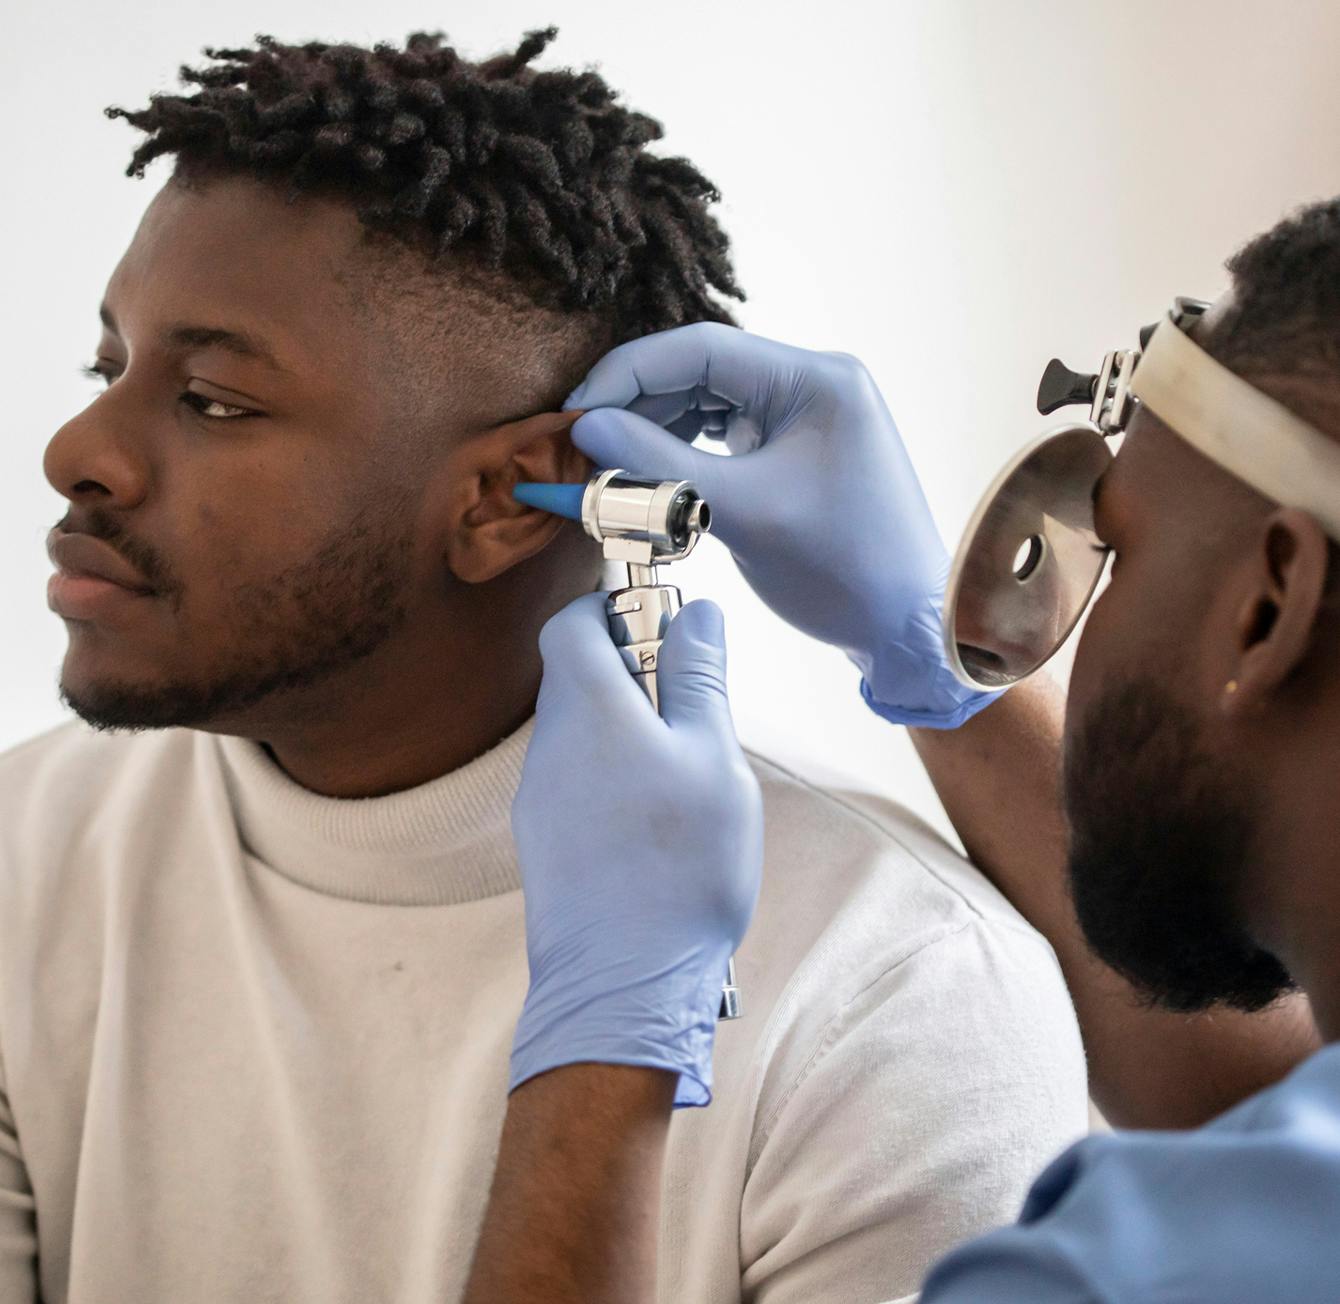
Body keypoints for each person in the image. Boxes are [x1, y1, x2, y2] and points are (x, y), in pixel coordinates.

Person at [0, 29, 1093, 1304]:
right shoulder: (27, 863)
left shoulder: (888, 995)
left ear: (505, 501)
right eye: (107, 367)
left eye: (215, 401)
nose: (79, 448)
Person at [467, 199, 1340, 1301]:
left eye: (1116, 547)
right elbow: (1270, 1108)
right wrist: (925, 659)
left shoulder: (1111, 1275)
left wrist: (608, 1036)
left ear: (1267, 607)